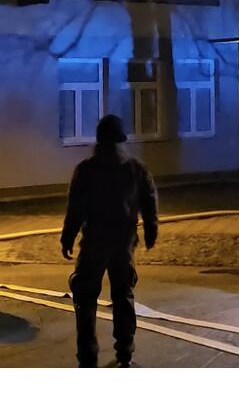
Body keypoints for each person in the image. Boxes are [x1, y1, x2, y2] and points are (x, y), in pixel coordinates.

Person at [62, 114, 158, 368]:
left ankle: (88, 357)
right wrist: (150, 231)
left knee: (85, 298)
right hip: (124, 242)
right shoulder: (136, 168)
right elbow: (149, 200)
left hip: (94, 242)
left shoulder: (86, 169)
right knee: (123, 295)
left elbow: (76, 208)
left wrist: (67, 237)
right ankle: (125, 353)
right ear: (121, 139)